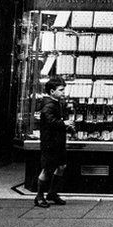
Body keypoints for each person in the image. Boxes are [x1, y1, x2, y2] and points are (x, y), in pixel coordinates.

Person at [35, 75, 73, 208]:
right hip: (50, 143)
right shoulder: (48, 105)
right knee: (47, 169)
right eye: (61, 90)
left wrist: (65, 125)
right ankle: (39, 196)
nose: (63, 92)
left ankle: (52, 192)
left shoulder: (57, 103)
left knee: (61, 166)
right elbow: (50, 122)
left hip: (58, 142)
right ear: (52, 91)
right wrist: (64, 123)